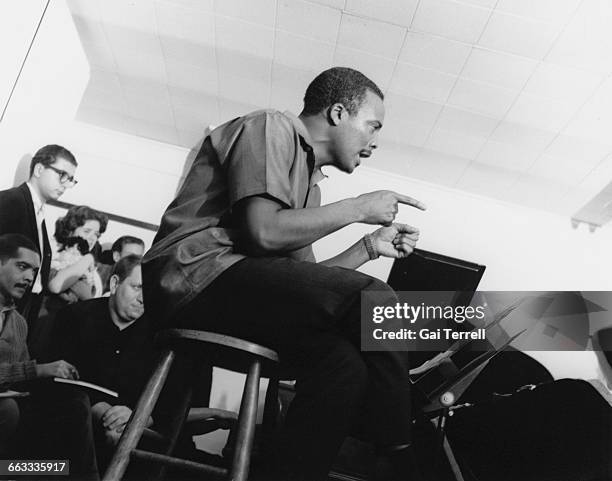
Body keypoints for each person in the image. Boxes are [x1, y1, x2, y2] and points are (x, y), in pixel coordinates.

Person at [143, 67, 427, 481]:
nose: (375, 142)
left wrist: (366, 248)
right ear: (337, 113)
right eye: (372, 126)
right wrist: (359, 208)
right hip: (192, 281)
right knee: (377, 300)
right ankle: (400, 456)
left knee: (345, 364)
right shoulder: (270, 127)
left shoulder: (308, 184)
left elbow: (306, 282)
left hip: (232, 292)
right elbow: (263, 233)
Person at [52, 255, 234, 473]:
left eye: (149, 292)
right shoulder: (75, 317)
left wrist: (140, 417)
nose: (143, 298)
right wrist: (102, 411)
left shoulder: (159, 337)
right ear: (115, 283)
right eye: (137, 287)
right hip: (77, 426)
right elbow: (58, 379)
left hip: (136, 432)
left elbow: (169, 402)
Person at [0, 233, 98, 480]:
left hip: (11, 412)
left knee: (74, 405)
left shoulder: (18, 323)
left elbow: (20, 379)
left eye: (34, 271)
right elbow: (25, 371)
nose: (29, 277)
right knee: (8, 410)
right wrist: (40, 369)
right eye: (22, 266)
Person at [0, 145, 78, 331]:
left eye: (71, 180)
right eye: (62, 175)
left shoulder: (38, 213)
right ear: (39, 169)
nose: (66, 184)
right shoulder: (10, 201)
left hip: (19, 313)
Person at [33, 205, 108, 360]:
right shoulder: (56, 257)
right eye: (87, 231)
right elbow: (56, 285)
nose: (92, 238)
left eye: (97, 234)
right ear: (70, 230)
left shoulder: (93, 269)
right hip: (47, 328)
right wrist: (87, 259)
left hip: (73, 333)